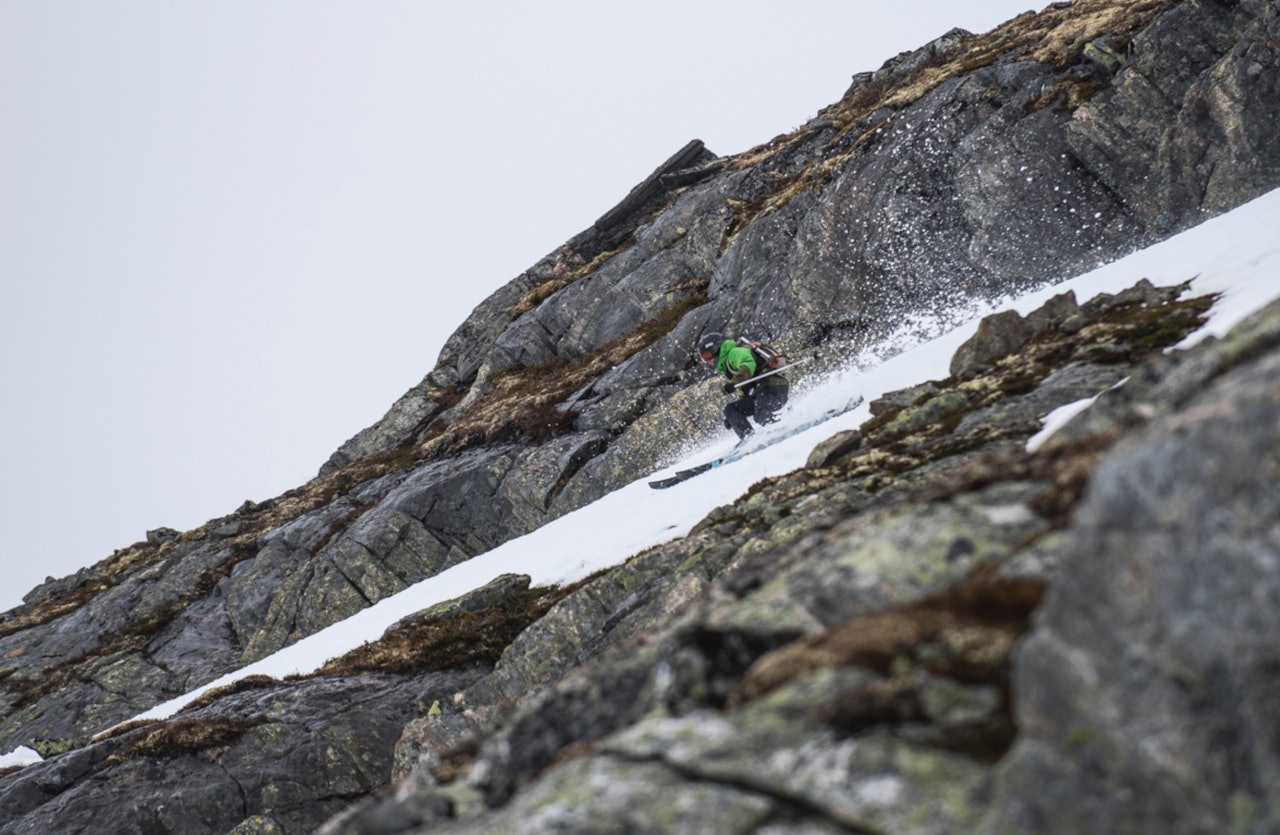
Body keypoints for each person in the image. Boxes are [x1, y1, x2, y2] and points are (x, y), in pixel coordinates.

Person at [698, 332, 789, 441]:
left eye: (707, 356)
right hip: (760, 394)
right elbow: (744, 391)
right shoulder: (727, 366)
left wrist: (733, 383)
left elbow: (748, 364)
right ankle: (748, 438)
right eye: (704, 359)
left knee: (761, 415)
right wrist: (734, 418)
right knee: (730, 409)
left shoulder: (734, 352)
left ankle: (786, 426)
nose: (708, 361)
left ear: (716, 349)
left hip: (773, 387)